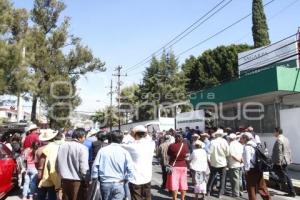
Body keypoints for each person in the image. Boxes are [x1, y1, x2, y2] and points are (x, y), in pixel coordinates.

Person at [91, 132, 134, 200]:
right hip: (119, 183)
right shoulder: (125, 152)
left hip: (105, 183)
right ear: (121, 140)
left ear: (110, 139)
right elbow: (131, 169)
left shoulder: (102, 150)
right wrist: (127, 179)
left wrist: (94, 178)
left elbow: (95, 167)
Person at [122, 125, 155, 200]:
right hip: (147, 176)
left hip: (136, 178)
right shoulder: (151, 144)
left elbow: (120, 143)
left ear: (135, 134)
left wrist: (130, 134)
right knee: (147, 197)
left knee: (136, 197)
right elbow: (149, 138)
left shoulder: (132, 146)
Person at [57, 128, 89, 200]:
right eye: (85, 137)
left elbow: (57, 162)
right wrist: (86, 180)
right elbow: (84, 168)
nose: (85, 139)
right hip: (77, 180)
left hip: (64, 179)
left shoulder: (62, 146)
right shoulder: (82, 148)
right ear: (81, 136)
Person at [241, 132, 271, 200]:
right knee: (262, 187)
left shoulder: (247, 147)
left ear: (245, 138)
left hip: (251, 170)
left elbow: (247, 160)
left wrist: (246, 170)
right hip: (258, 168)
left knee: (251, 188)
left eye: (242, 138)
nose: (241, 139)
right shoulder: (255, 145)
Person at [37, 129, 64, 200]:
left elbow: (41, 161)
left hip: (47, 172)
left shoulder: (45, 147)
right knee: (52, 192)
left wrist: (40, 171)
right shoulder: (60, 145)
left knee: (43, 192)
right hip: (56, 171)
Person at [271, 127, 296, 197]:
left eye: (274, 132)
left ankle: (291, 191)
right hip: (285, 160)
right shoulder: (286, 139)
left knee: (284, 175)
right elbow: (288, 150)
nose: (273, 133)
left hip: (281, 161)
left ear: (277, 132)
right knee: (279, 173)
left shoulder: (279, 140)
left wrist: (279, 162)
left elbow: (279, 152)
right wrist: (290, 159)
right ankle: (281, 184)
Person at [166, 133, 189, 200]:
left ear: (175, 138)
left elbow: (169, 155)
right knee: (183, 183)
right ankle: (182, 198)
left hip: (174, 166)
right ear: (182, 138)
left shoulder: (171, 146)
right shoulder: (185, 146)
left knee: (174, 184)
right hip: (183, 166)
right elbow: (187, 156)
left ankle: (174, 198)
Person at [206, 128, 229, 198]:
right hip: (222, 162)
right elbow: (227, 152)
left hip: (214, 162)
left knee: (212, 177)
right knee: (222, 178)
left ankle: (208, 191)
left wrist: (209, 160)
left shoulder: (212, 142)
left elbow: (209, 152)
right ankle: (220, 193)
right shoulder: (224, 141)